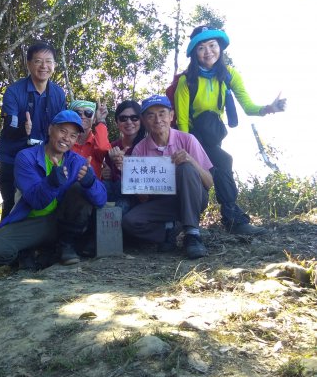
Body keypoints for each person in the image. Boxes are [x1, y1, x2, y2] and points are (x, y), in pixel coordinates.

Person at [174, 25, 287, 235]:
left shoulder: (229, 75)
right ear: (194, 53)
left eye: (212, 45)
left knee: (214, 167)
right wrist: (188, 148)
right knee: (223, 161)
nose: (208, 51)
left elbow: (248, 106)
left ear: (220, 47)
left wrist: (269, 108)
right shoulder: (186, 80)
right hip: (192, 135)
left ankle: (201, 219)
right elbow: (181, 121)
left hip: (213, 134)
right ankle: (232, 218)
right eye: (201, 47)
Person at [0, 110, 107, 268]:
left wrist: (90, 183)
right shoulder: (26, 157)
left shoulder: (78, 162)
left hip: (63, 224)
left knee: (79, 189)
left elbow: (101, 199)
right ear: (50, 129)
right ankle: (37, 253)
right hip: (32, 221)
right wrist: (52, 182)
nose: (66, 139)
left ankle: (62, 246)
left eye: (73, 135)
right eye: (62, 131)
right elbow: (36, 201)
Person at [122, 95, 213, 259]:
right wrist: (135, 184)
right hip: (163, 204)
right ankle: (169, 230)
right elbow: (143, 198)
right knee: (130, 221)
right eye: (150, 115)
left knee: (186, 167)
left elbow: (209, 183)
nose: (157, 120)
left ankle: (192, 234)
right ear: (144, 120)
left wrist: (190, 160)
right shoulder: (139, 150)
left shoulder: (187, 140)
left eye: (162, 113)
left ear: (171, 116)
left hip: (194, 198)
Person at [0, 42, 66, 219]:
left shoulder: (58, 94)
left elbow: (62, 127)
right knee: (12, 203)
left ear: (54, 65)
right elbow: (9, 127)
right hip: (13, 156)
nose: (44, 66)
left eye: (48, 61)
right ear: (28, 64)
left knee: (44, 199)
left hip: (44, 158)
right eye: (38, 61)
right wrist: (22, 129)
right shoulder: (14, 92)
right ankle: (1, 243)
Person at [103, 100, 145, 214]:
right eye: (123, 118)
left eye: (134, 118)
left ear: (141, 120)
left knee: (122, 205)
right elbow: (108, 177)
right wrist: (106, 173)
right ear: (117, 122)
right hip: (114, 192)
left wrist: (125, 167)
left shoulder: (147, 147)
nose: (129, 122)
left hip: (138, 196)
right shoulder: (112, 147)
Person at [69, 100, 111, 178]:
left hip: (91, 188)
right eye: (78, 113)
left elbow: (102, 148)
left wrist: (101, 121)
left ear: (94, 119)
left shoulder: (97, 142)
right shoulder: (66, 141)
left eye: (88, 113)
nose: (83, 116)